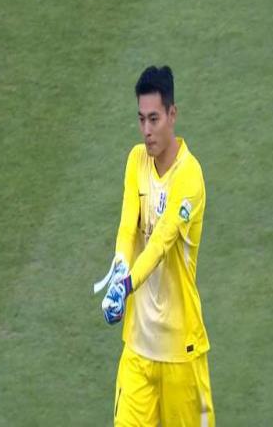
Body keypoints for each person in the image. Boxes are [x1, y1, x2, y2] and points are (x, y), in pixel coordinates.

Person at [101, 65, 215, 426]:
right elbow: (127, 226)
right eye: (141, 119)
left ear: (172, 114)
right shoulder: (136, 161)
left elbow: (161, 242)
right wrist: (120, 263)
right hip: (138, 350)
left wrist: (125, 286)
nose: (146, 130)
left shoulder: (190, 176)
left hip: (181, 352)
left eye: (154, 119)